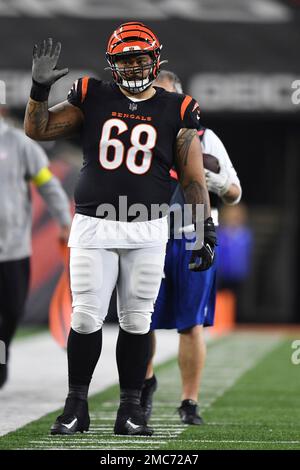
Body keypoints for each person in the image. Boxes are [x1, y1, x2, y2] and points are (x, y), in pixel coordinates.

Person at [24, 23, 217, 436]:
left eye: (139, 57)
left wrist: (205, 231)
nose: (133, 66)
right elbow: (38, 129)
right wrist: (39, 90)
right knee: (85, 317)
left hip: (147, 229)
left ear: (156, 59)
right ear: (113, 64)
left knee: (136, 321)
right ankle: (76, 406)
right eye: (125, 59)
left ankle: (130, 410)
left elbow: (192, 177)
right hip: (94, 225)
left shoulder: (179, 107)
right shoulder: (93, 95)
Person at [140, 70, 242, 425]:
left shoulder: (204, 137)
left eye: (166, 96)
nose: (160, 103)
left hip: (190, 235)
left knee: (191, 323)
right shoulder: (140, 133)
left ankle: (189, 401)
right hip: (146, 235)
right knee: (140, 321)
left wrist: (214, 180)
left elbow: (235, 192)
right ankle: (144, 385)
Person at [0, 109, 71, 389]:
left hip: (13, 247)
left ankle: (2, 352)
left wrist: (64, 222)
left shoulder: (18, 143)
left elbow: (48, 185)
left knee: (12, 309)